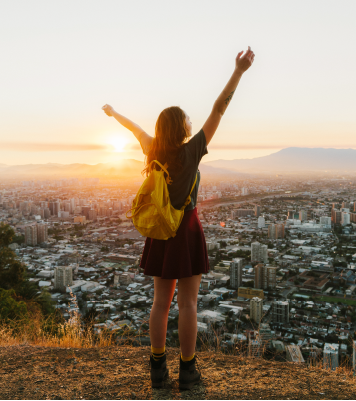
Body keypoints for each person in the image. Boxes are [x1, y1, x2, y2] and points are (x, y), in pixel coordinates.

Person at [102, 46, 255, 390]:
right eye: (186, 117)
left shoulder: (152, 148)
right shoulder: (192, 150)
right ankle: (188, 371)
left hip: (160, 233)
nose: (190, 120)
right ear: (181, 127)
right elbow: (219, 108)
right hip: (185, 230)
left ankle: (158, 370)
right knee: (188, 304)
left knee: (160, 303)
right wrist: (239, 72)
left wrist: (114, 114)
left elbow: (134, 128)